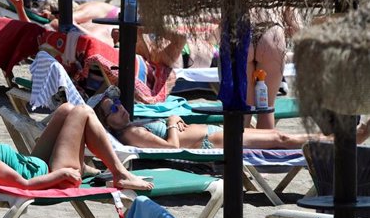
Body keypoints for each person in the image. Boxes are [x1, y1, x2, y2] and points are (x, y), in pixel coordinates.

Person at [0, 99, 154, 190]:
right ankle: (120, 173)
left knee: (67, 108)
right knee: (83, 111)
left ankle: (88, 167)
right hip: (52, 174)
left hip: (35, 163)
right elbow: (24, 186)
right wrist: (63, 173)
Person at [90, 86, 370, 150]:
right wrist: (173, 122)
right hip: (209, 141)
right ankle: (347, 140)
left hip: (211, 131)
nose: (119, 107)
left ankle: (344, 139)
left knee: (279, 138)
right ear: (107, 124)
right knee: (279, 137)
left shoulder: (131, 124)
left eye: (116, 102)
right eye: (111, 109)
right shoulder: (128, 134)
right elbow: (173, 147)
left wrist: (171, 119)